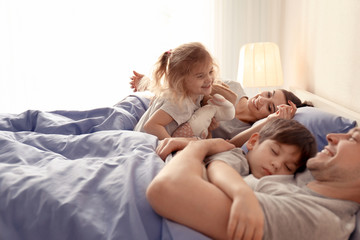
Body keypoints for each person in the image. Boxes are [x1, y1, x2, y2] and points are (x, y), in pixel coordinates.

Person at [147, 127, 360, 240]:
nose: (331, 136)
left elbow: (167, 190)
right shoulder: (311, 175)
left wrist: (197, 147)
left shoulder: (318, 222)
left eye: (353, 139)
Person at [130, 69, 312, 146]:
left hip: (182, 132)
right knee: (164, 94)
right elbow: (193, 85)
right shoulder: (234, 87)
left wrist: (272, 121)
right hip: (175, 107)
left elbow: (230, 145)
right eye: (269, 94)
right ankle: (147, 85)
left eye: (270, 108)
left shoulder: (246, 131)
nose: (262, 100)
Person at [133, 42, 220, 140]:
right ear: (181, 80)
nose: (209, 79)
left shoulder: (197, 94)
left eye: (210, 72)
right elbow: (151, 126)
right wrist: (173, 144)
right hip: (145, 140)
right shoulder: (180, 103)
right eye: (200, 76)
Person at [205, 118, 317, 179]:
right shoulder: (237, 158)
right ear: (253, 142)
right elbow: (218, 168)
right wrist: (239, 191)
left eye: (288, 167)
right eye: (274, 151)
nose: (277, 164)